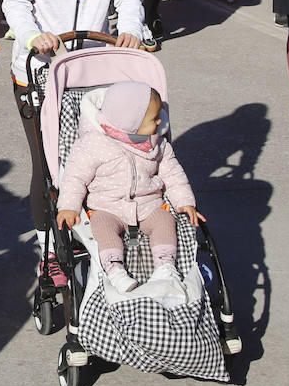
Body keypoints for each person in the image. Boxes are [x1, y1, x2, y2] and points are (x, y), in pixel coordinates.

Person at [1, 0, 144, 245]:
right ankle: (48, 248)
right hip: (41, 68)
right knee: (48, 163)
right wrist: (33, 36)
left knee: (95, 160)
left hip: (95, 65)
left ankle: (98, 239)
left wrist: (130, 27)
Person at [55, 81, 198, 297]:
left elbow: (173, 174)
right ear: (130, 121)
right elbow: (74, 178)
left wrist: (185, 202)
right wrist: (68, 207)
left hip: (148, 203)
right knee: (102, 228)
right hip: (107, 206)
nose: (160, 121)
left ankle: (165, 266)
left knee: (165, 221)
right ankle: (114, 269)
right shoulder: (92, 144)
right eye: (153, 118)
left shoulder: (157, 144)